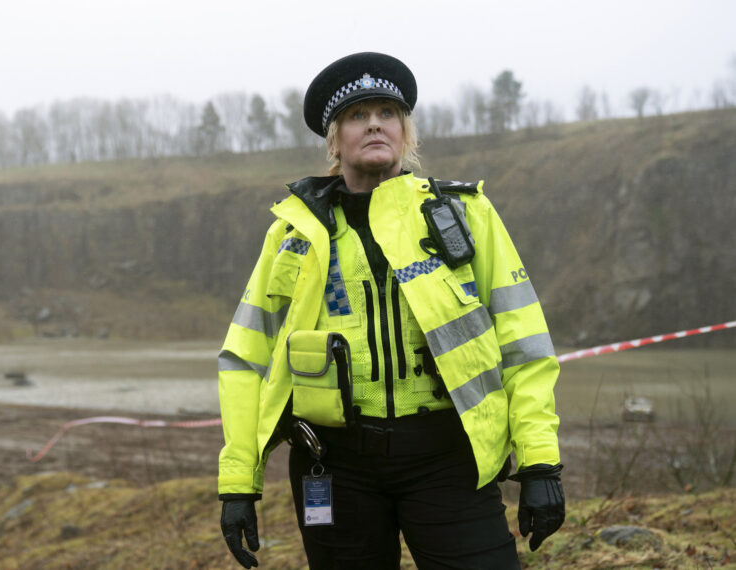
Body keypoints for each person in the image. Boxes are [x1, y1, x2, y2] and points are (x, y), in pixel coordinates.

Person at [217, 52, 565, 569]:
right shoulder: (291, 237)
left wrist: (540, 462)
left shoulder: (466, 214)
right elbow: (246, 359)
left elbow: (523, 342)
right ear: (334, 141)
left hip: (450, 457)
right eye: (357, 115)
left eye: (388, 113)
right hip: (332, 466)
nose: (375, 122)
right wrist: (238, 484)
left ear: (406, 133)